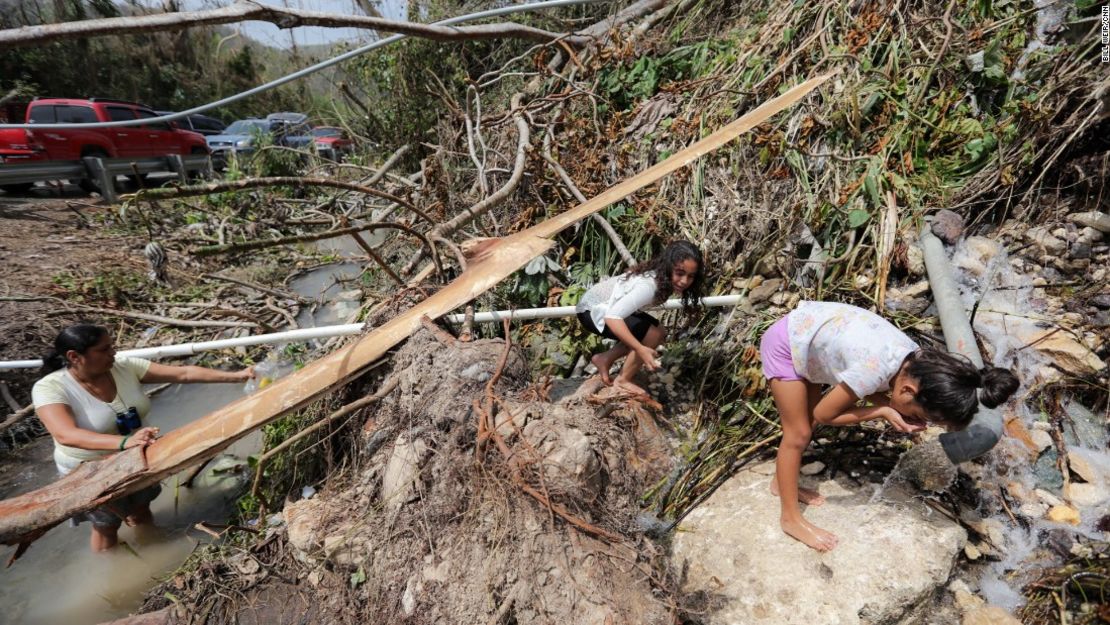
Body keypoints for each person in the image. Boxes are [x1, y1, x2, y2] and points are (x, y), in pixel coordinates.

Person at [759, 301, 1019, 552]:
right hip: (787, 345)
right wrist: (882, 411)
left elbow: (873, 386)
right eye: (918, 414)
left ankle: (782, 484)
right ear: (908, 391)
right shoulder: (875, 369)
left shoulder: (916, 364)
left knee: (805, 423)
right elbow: (825, 415)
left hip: (812, 343)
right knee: (799, 432)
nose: (921, 422)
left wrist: (890, 408)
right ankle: (790, 519)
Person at [32, 324, 255, 552]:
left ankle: (152, 548)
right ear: (74, 356)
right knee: (106, 525)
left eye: (112, 346)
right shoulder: (50, 388)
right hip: (91, 469)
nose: (114, 353)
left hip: (137, 455)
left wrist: (237, 376)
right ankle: (111, 570)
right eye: (104, 349)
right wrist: (124, 442)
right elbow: (65, 434)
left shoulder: (124, 368)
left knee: (141, 508)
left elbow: (184, 373)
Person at [575, 240, 705, 397]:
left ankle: (604, 358)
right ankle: (623, 380)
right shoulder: (649, 287)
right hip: (592, 310)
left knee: (659, 332)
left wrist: (639, 345)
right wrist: (640, 348)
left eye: (690, 276)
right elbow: (612, 317)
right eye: (679, 273)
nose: (684, 281)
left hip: (602, 307)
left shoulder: (662, 281)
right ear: (668, 267)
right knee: (652, 335)